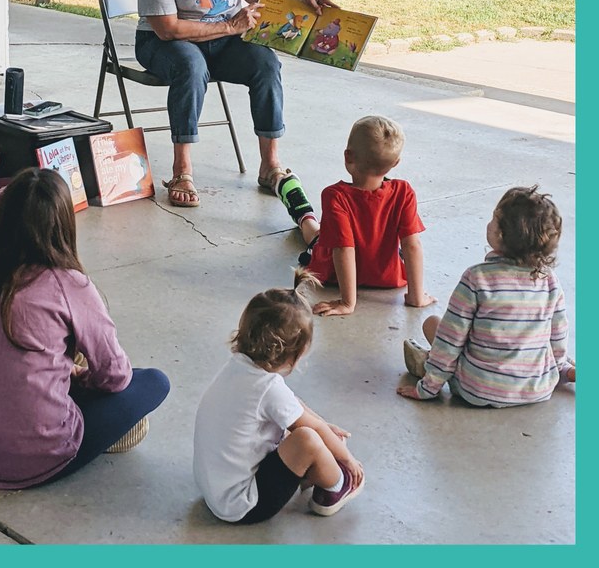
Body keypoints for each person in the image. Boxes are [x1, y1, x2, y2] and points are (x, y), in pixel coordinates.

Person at [0, 167, 170, 489]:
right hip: (39, 456)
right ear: (64, 225)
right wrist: (81, 378)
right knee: (154, 381)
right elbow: (115, 375)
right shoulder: (71, 284)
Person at [135, 0, 334, 207]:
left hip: (226, 37)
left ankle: (270, 165)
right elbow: (167, 28)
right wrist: (229, 27)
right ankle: (182, 168)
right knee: (190, 65)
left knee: (266, 63)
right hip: (165, 43)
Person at [193, 269, 365, 524]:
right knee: (307, 438)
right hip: (244, 506)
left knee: (302, 431)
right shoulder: (268, 388)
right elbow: (310, 426)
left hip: (215, 490)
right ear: (298, 353)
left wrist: (325, 429)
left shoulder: (237, 367)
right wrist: (347, 459)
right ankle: (338, 485)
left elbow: (296, 407)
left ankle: (312, 470)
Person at [398, 185, 576, 407]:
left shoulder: (477, 278)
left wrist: (428, 388)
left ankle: (428, 365)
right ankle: (568, 372)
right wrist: (559, 366)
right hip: (537, 388)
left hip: (477, 390)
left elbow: (450, 340)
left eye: (494, 218)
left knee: (433, 323)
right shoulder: (549, 280)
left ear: (500, 234)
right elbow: (558, 333)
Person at [273, 115, 435, 316]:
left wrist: (348, 302)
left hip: (335, 274)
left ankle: (297, 202)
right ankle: (295, 196)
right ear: (395, 163)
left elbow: (343, 249)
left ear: (348, 156)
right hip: (388, 276)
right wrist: (416, 296)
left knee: (316, 234)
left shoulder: (335, 196)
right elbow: (412, 245)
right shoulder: (404, 192)